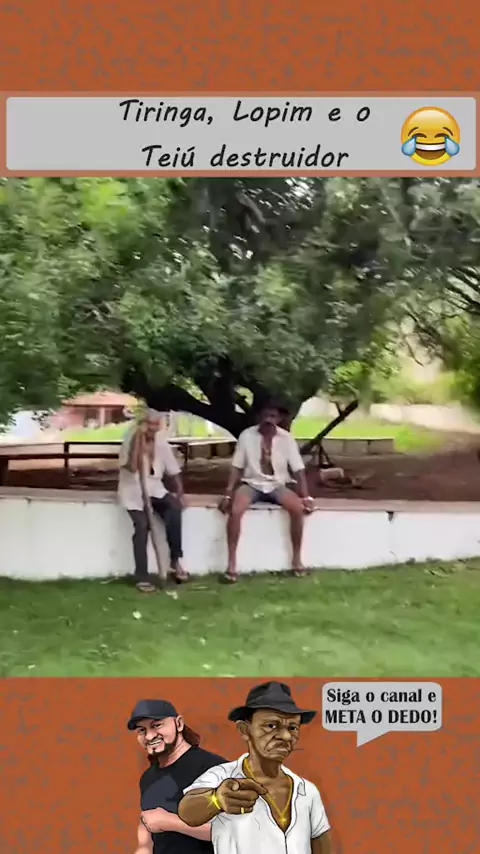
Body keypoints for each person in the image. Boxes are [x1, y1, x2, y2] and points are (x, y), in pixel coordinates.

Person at [178, 681, 333, 854]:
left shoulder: (307, 791)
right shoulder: (222, 776)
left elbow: (322, 846)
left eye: (292, 727)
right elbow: (187, 812)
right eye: (271, 726)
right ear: (245, 730)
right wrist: (216, 800)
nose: (285, 736)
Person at [218, 400, 314, 582]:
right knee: (236, 510)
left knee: (297, 509)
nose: (268, 420)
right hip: (252, 483)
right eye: (265, 415)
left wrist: (306, 496)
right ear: (258, 417)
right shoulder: (247, 435)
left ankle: (297, 559)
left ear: (279, 419)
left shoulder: (286, 438)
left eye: (273, 416)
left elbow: (298, 469)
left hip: (277, 484)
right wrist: (228, 493)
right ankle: (231, 564)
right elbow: (237, 467)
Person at [128, 698, 228, 854]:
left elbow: (235, 830)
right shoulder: (148, 778)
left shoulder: (214, 768)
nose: (149, 736)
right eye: (142, 730)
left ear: (179, 724)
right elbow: (149, 822)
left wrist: (169, 822)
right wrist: (144, 846)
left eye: (156, 725)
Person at [118, 409, 188, 592]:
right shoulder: (130, 439)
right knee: (142, 526)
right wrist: (138, 444)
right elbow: (132, 467)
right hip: (133, 491)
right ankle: (142, 575)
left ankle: (175, 561)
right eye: (150, 424)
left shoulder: (161, 442)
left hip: (155, 489)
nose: (153, 429)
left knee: (174, 509)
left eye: (157, 425)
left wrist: (180, 492)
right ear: (142, 424)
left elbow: (173, 470)